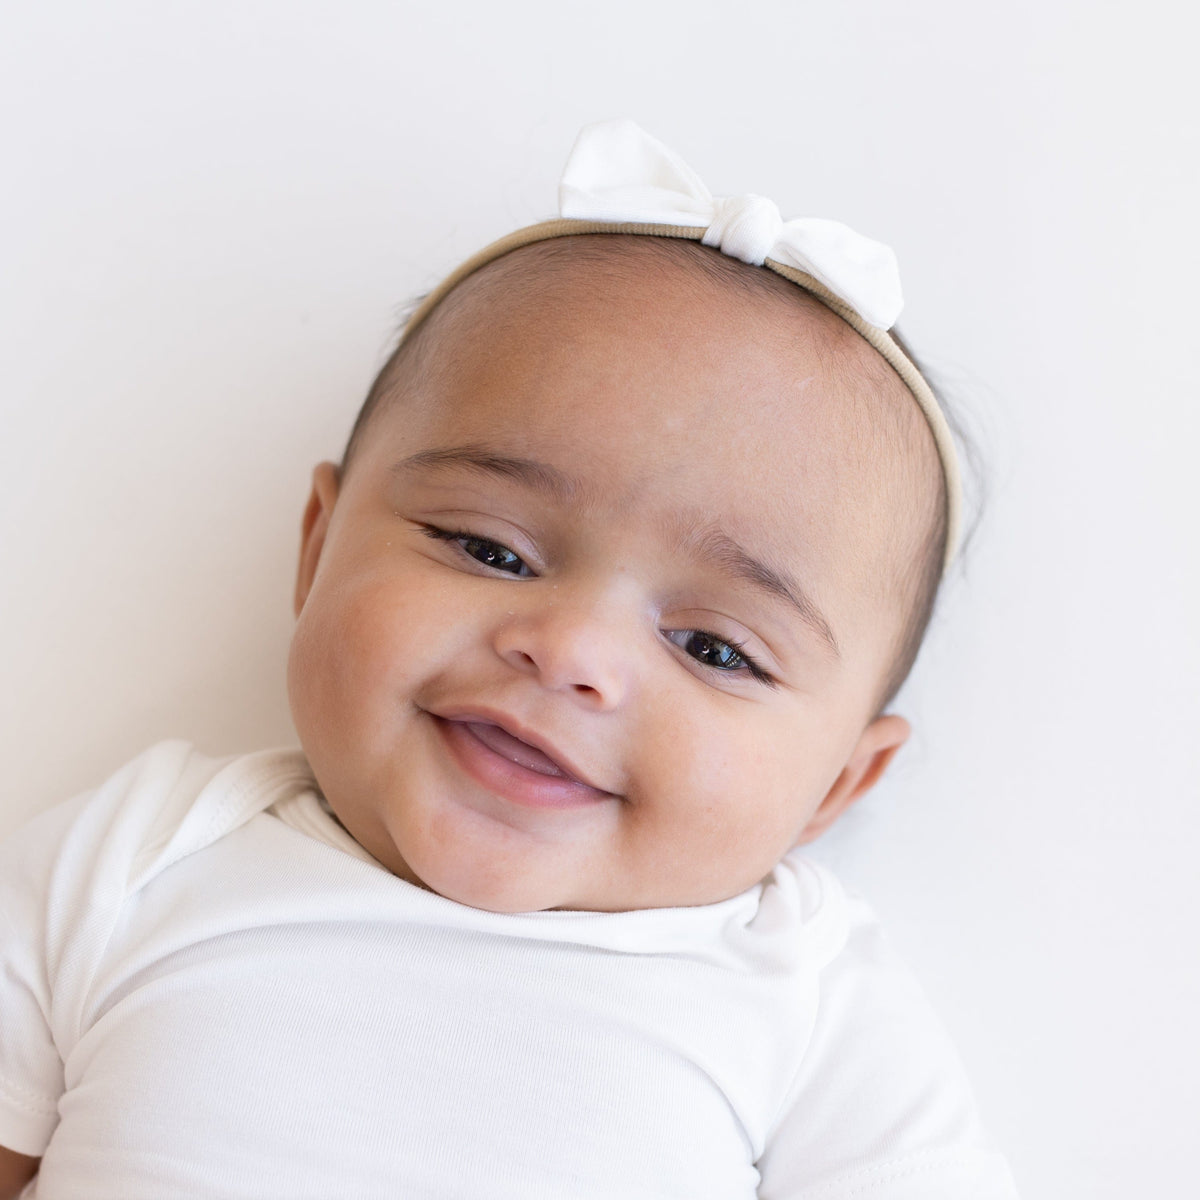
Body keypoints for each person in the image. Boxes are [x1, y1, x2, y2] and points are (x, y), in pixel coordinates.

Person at [0, 121, 1019, 1198]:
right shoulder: (130, 859)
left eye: (715, 647)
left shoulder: (804, 992)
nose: (572, 651)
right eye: (489, 548)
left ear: (840, 783)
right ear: (318, 550)